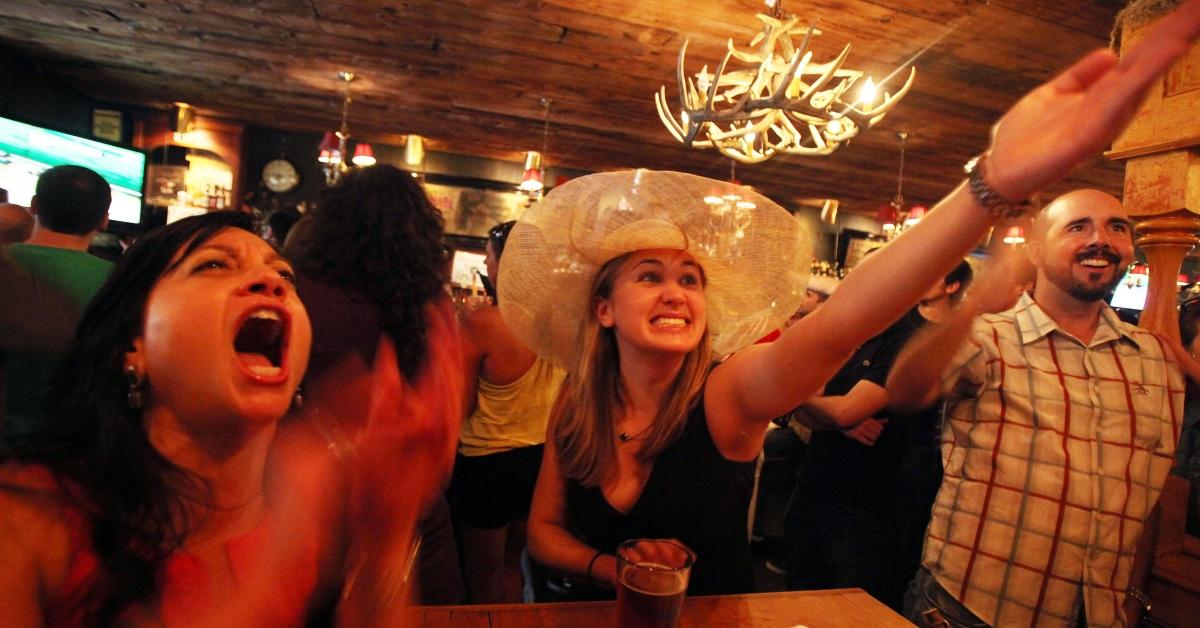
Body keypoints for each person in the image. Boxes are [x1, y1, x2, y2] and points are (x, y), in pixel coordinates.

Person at [507, 1, 1200, 602]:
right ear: (603, 308)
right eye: (650, 276)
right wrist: (611, 565)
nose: (676, 292)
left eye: (690, 279)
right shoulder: (579, 400)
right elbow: (542, 532)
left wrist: (986, 188)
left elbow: (841, 323)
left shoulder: (728, 396)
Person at [0, 212, 317, 624]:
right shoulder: (28, 523)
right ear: (135, 346)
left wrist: (387, 542)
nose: (271, 282)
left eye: (286, 276)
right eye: (214, 264)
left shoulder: (316, 520)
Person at [887, 190, 1183, 627]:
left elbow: (1145, 494)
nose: (1100, 239)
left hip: (1098, 613)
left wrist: (1134, 594)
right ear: (1036, 251)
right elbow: (905, 391)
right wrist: (976, 303)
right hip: (974, 607)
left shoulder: (1153, 358)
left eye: (1116, 227)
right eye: (1078, 226)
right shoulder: (988, 338)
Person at [277, 163, 466, 611]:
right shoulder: (430, 305)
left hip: (307, 494)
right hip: (406, 497)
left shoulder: (300, 293)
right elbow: (447, 404)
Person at [450, 220, 565, 603]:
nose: (486, 263)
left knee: (481, 574)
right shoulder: (561, 323)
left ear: (508, 263)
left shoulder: (483, 324)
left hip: (486, 465)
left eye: (489, 256)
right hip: (539, 462)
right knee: (515, 565)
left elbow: (461, 405)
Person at [3, 165, 114, 438]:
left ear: (34, 205)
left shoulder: (4, 262)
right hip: (70, 440)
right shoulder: (120, 283)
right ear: (104, 220)